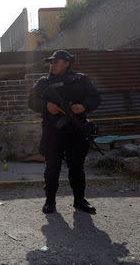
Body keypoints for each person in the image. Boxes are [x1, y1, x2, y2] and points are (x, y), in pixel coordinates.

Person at [28, 50, 101, 214]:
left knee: (77, 168)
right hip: (53, 132)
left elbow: (96, 97)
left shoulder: (82, 79)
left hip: (77, 131)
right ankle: (50, 201)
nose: (52, 65)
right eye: (51, 62)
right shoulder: (44, 82)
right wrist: (46, 106)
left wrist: (84, 106)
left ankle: (79, 200)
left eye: (56, 61)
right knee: (52, 168)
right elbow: (31, 101)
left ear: (67, 63)